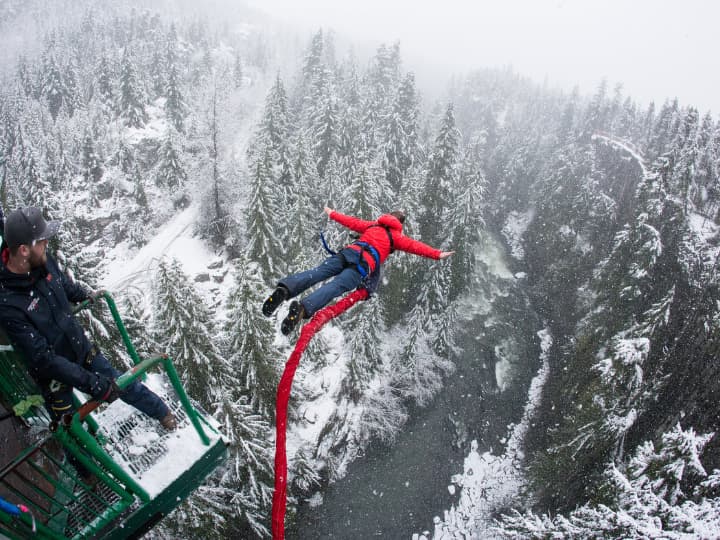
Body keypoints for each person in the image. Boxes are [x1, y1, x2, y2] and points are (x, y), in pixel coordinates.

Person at [0, 207, 177, 480]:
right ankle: (92, 477)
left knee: (122, 383)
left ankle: (163, 413)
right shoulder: (9, 303)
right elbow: (43, 359)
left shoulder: (43, 262)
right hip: (53, 375)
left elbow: (62, 284)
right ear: (24, 250)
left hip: (78, 347)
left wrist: (83, 294)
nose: (47, 244)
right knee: (71, 427)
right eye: (42, 240)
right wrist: (90, 383)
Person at [263, 206, 454, 335]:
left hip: (348, 253)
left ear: (388, 216)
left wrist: (331, 213)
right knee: (336, 287)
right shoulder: (396, 237)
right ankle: (303, 308)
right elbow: (416, 246)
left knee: (318, 272)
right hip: (363, 265)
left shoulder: (372, 225)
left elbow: (350, 221)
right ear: (400, 225)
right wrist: (438, 254)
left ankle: (286, 289)